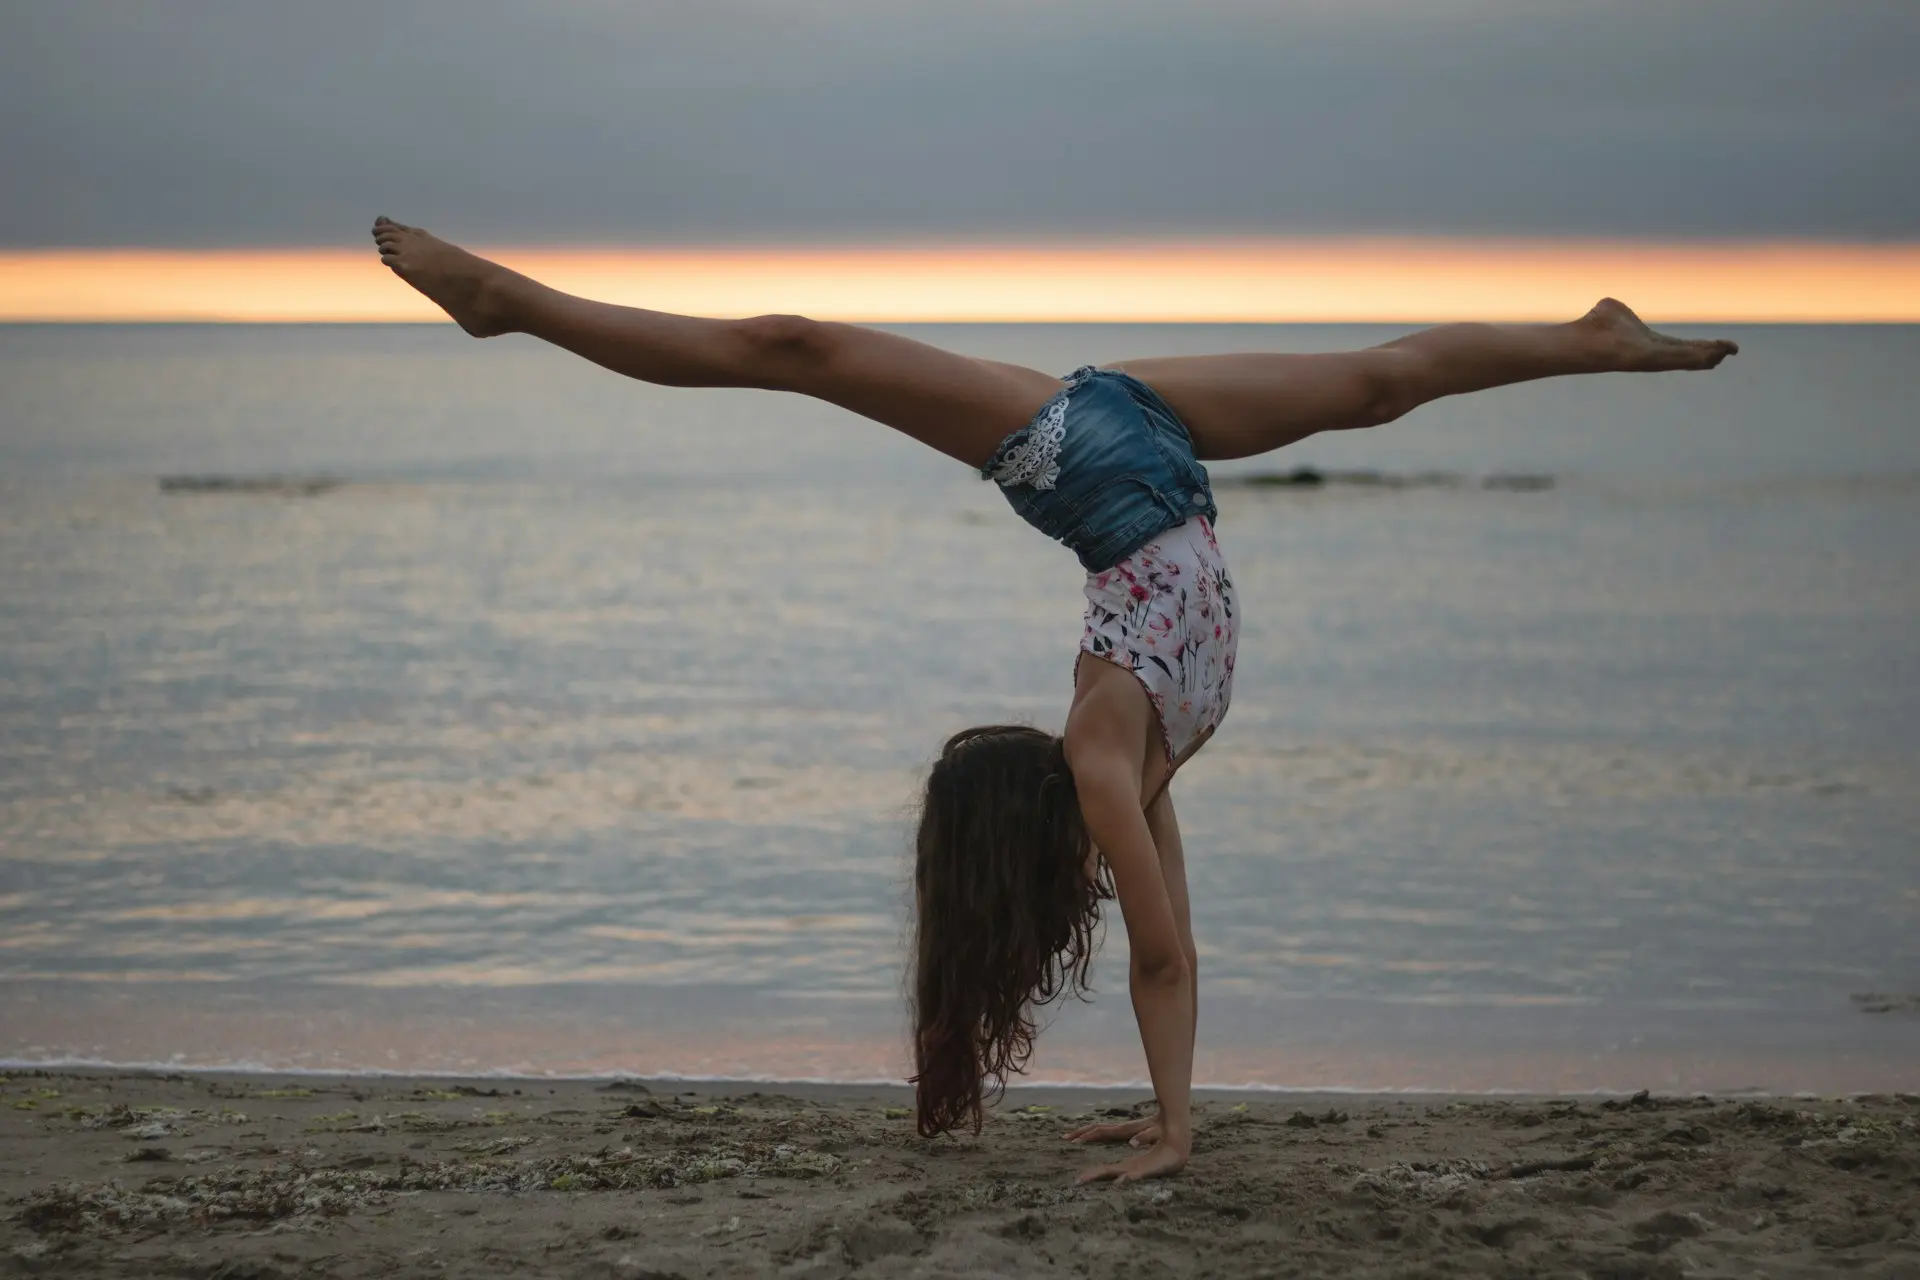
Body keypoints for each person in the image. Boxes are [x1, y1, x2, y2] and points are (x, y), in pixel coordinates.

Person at [370, 216, 1738, 1184]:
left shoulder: (1114, 761)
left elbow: (1165, 954)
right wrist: (1172, 1124)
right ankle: (1589, 341)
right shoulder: (1121, 772)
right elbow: (1171, 949)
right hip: (1142, 463)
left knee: (796, 347)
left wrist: (1174, 1123)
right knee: (1377, 390)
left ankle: (514, 306)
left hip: (1087, 460)